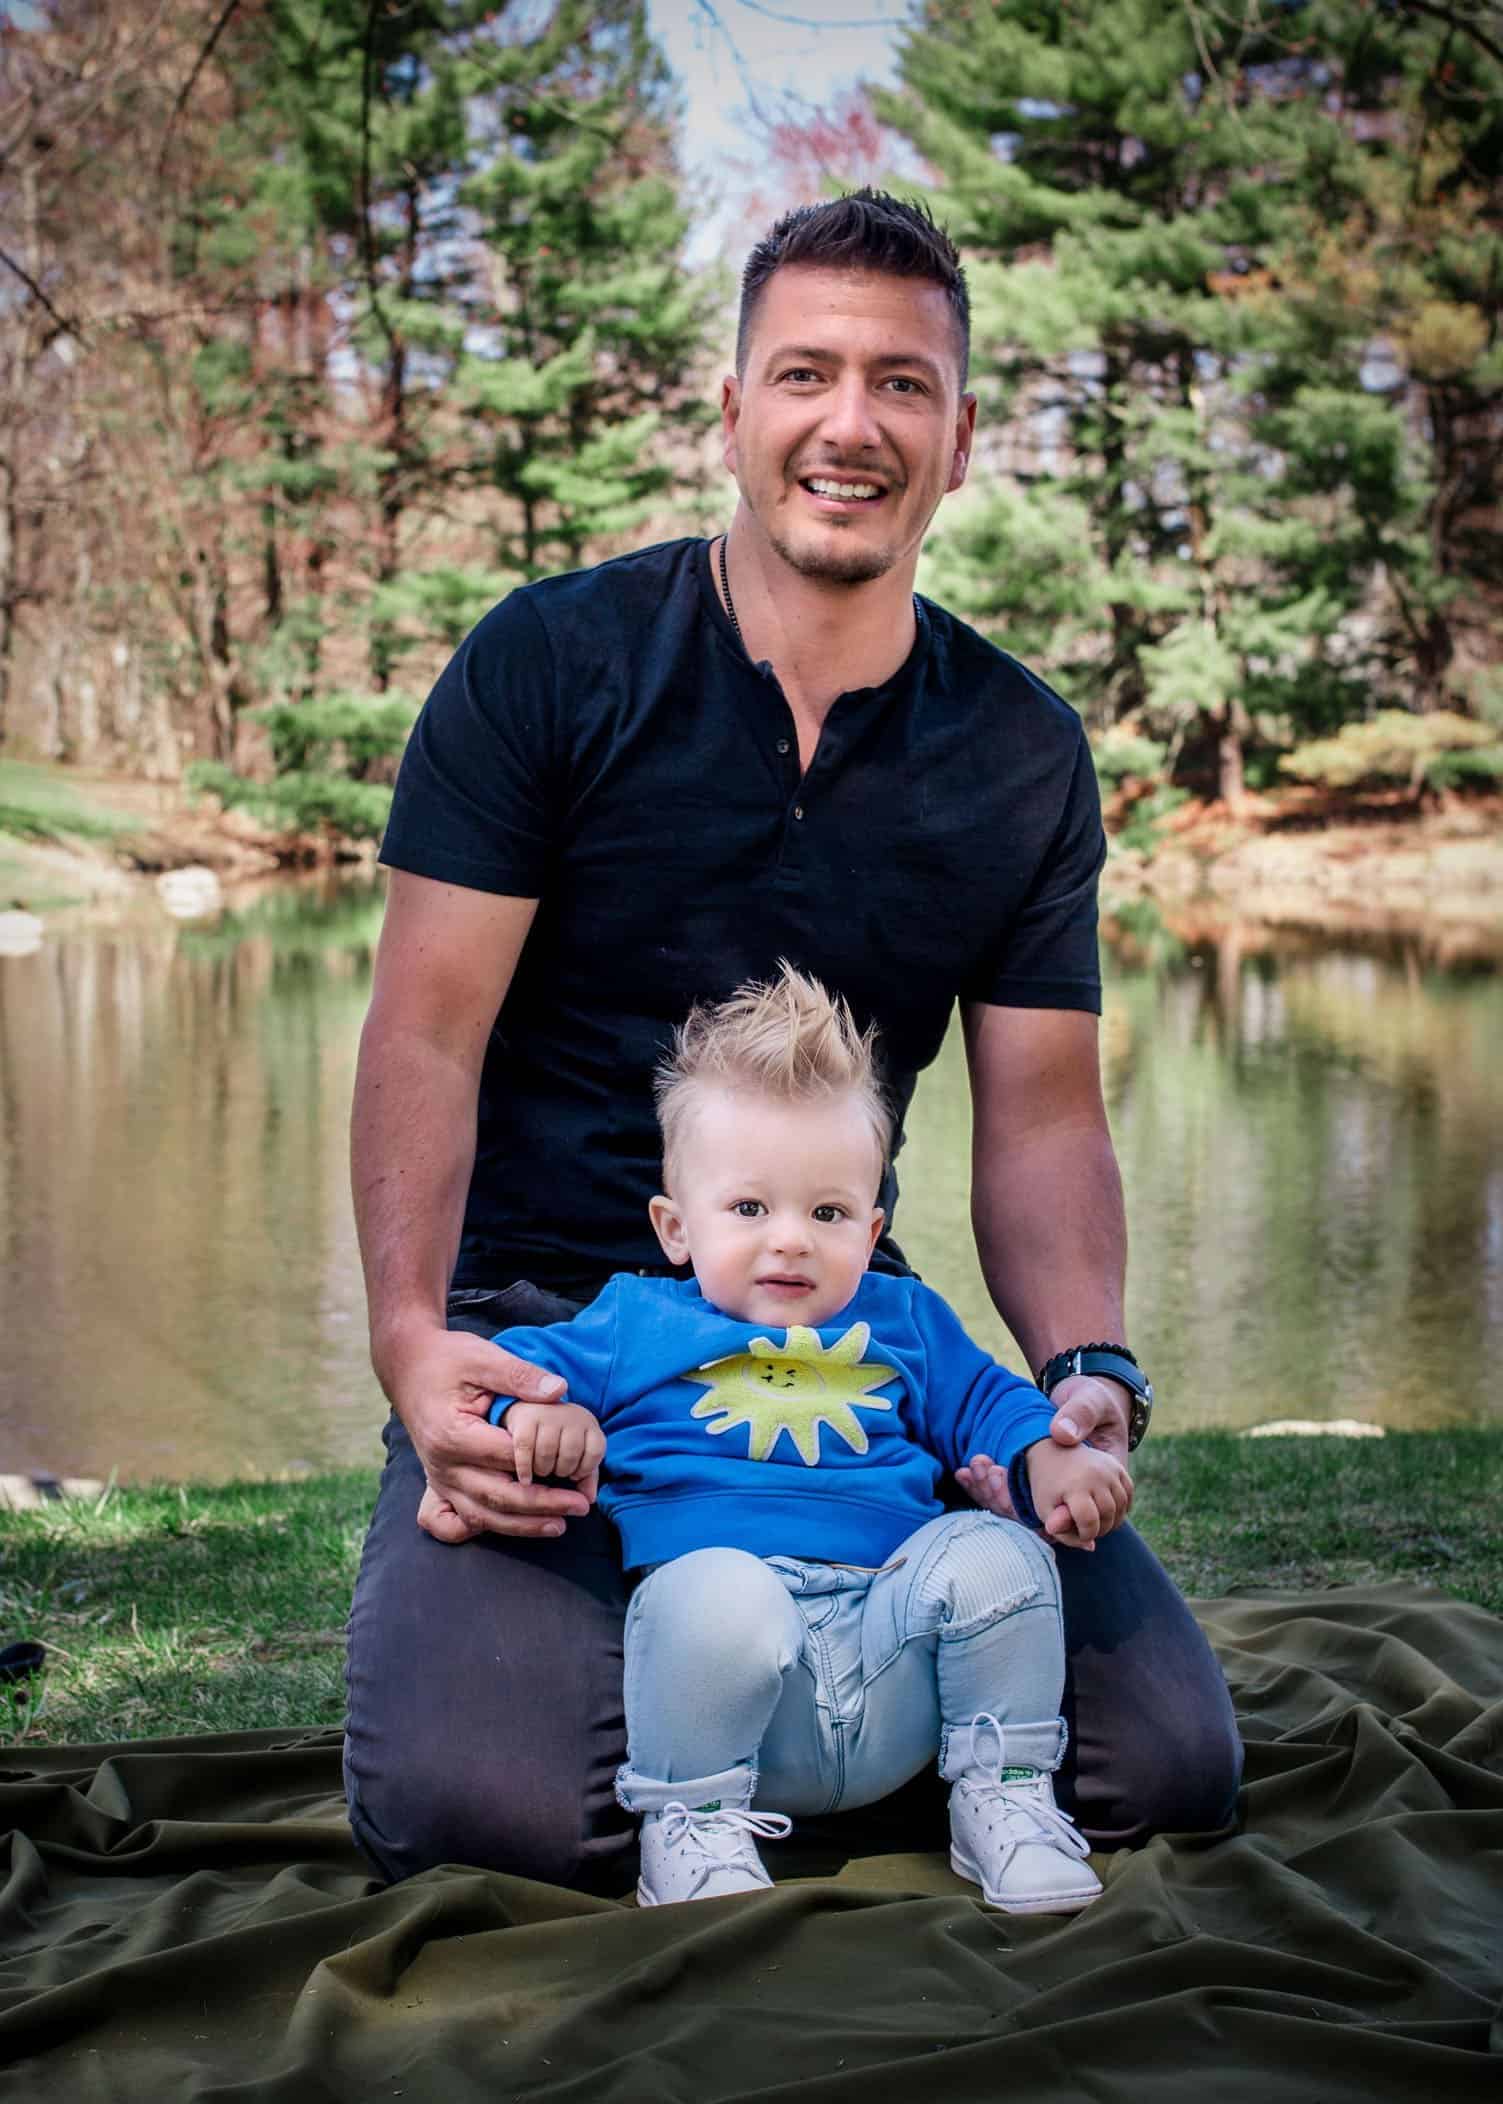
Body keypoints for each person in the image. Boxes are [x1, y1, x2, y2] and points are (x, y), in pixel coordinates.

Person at [344, 188, 1242, 1894]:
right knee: (486, 1813)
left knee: (1167, 1768)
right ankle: (692, 1675)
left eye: (901, 383)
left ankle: (806, 1693)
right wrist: (409, 1336)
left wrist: (1084, 1376)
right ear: (733, 411)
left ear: (959, 435)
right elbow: (420, 1035)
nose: (851, 423)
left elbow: (1045, 1118)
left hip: (825, 1323)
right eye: (806, 374)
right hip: (545, 1328)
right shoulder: (547, 666)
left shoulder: (1019, 753)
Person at [420, 966, 1134, 1913]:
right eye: (750, 1209)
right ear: (675, 1228)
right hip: (730, 1686)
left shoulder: (906, 1320)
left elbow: (990, 1407)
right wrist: (536, 1414)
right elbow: (509, 1373)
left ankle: (1001, 1798)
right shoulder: (636, 1320)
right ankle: (693, 1828)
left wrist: (1049, 1454)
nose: (791, 1240)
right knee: (722, 1594)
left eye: (827, 1213)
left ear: (872, 1225)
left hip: (888, 1642)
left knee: (997, 1556)